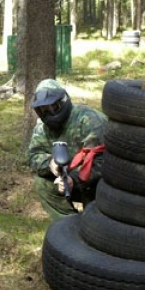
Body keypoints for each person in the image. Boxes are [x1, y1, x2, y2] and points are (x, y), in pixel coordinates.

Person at [28, 78, 107, 220]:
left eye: (53, 108)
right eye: (42, 111)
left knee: (95, 218)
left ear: (63, 102)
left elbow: (103, 162)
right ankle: (69, 226)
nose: (49, 115)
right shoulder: (42, 128)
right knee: (42, 183)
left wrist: (74, 180)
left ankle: (96, 227)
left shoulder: (89, 120)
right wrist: (51, 164)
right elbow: (34, 156)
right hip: (67, 182)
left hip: (97, 184)